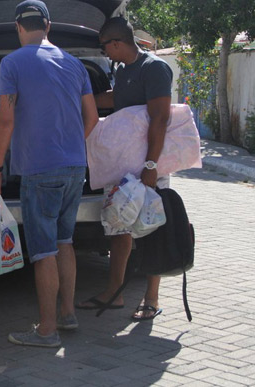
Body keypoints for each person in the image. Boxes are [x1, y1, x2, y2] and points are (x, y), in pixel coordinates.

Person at [0, 0, 99, 347]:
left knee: (43, 251)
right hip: (75, 168)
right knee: (65, 242)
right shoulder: (75, 64)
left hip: (39, 169)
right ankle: (67, 314)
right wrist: (69, 145)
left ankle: (47, 331)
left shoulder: (13, 63)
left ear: (19, 27)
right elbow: (92, 118)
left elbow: (5, 120)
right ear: (48, 26)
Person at [76, 16, 173, 321]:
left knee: (149, 228)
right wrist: (78, 100)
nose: (105, 53)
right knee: (118, 228)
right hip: (122, 164)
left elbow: (160, 118)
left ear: (117, 42)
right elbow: (116, 99)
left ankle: (152, 298)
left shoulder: (154, 68)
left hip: (147, 165)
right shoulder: (126, 70)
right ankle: (114, 293)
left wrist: (151, 165)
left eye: (105, 47)